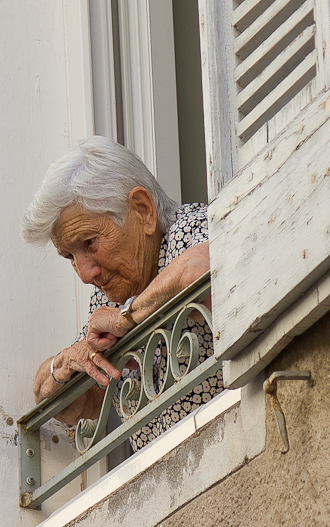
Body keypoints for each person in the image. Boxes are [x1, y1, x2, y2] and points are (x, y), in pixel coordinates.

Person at [21, 136, 222, 451]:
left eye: (90, 243)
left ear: (143, 211)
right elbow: (76, 405)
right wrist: (65, 365)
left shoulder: (189, 231)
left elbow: (207, 266)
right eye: (70, 257)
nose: (86, 274)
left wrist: (129, 316)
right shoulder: (110, 295)